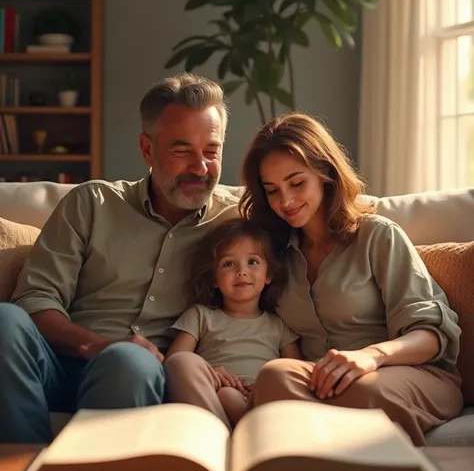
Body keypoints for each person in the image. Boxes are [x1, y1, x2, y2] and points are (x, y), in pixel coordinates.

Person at [0, 73, 239, 444]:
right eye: (182, 151)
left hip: (142, 374)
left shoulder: (238, 222)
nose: (201, 167)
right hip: (59, 362)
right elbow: (36, 298)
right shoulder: (91, 204)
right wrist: (96, 344)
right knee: (4, 320)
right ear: (147, 149)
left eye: (211, 150)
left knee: (128, 363)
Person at [239, 111, 463, 446]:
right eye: (272, 190)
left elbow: (431, 335)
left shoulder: (378, 236)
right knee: (275, 376)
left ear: (325, 172)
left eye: (297, 183)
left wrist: (370, 356)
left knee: (363, 390)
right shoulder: (275, 255)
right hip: (321, 380)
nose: (285, 201)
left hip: (407, 373)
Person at [165, 218, 300, 429]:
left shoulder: (279, 324)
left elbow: (296, 372)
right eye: (229, 264)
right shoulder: (201, 316)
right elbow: (174, 361)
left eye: (252, 262)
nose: (241, 271)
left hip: (261, 397)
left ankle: (243, 433)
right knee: (186, 366)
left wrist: (265, 388)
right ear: (213, 278)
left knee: (281, 377)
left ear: (269, 274)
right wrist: (212, 372)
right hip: (215, 392)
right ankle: (225, 435)